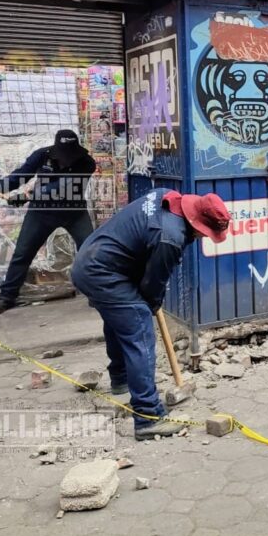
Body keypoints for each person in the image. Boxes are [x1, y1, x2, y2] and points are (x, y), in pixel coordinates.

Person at [71, 187, 231, 440]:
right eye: (206, 233)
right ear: (197, 224)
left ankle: (121, 380)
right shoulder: (170, 237)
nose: (203, 237)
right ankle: (147, 417)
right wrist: (152, 303)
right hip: (102, 271)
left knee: (120, 320)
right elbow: (152, 285)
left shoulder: (165, 196)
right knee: (140, 332)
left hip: (93, 259)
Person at [0, 130, 97, 315]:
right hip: (41, 212)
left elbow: (62, 186)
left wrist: (28, 195)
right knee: (22, 253)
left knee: (91, 251)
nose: (66, 160)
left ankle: (97, 293)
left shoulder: (86, 162)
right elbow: (21, 175)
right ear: (55, 151)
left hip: (74, 213)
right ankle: (6, 297)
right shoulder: (42, 155)